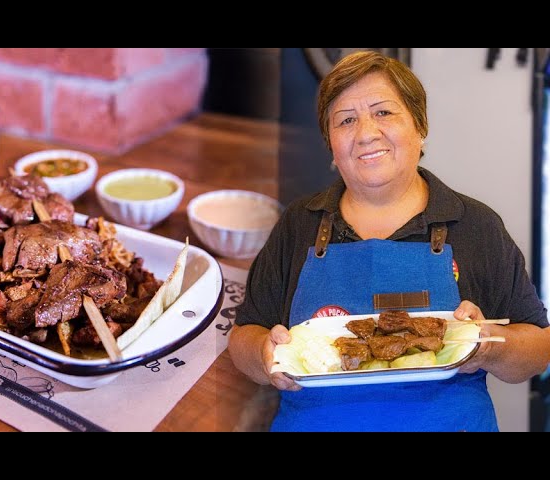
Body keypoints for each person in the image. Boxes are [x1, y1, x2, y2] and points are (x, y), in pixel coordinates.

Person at [228, 51, 550, 432]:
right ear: (331, 146)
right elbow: (243, 337)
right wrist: (266, 356)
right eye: (346, 120)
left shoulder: (476, 225)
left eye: (383, 112)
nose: (366, 133)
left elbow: (537, 349)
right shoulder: (300, 224)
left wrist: (489, 344)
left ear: (420, 125)